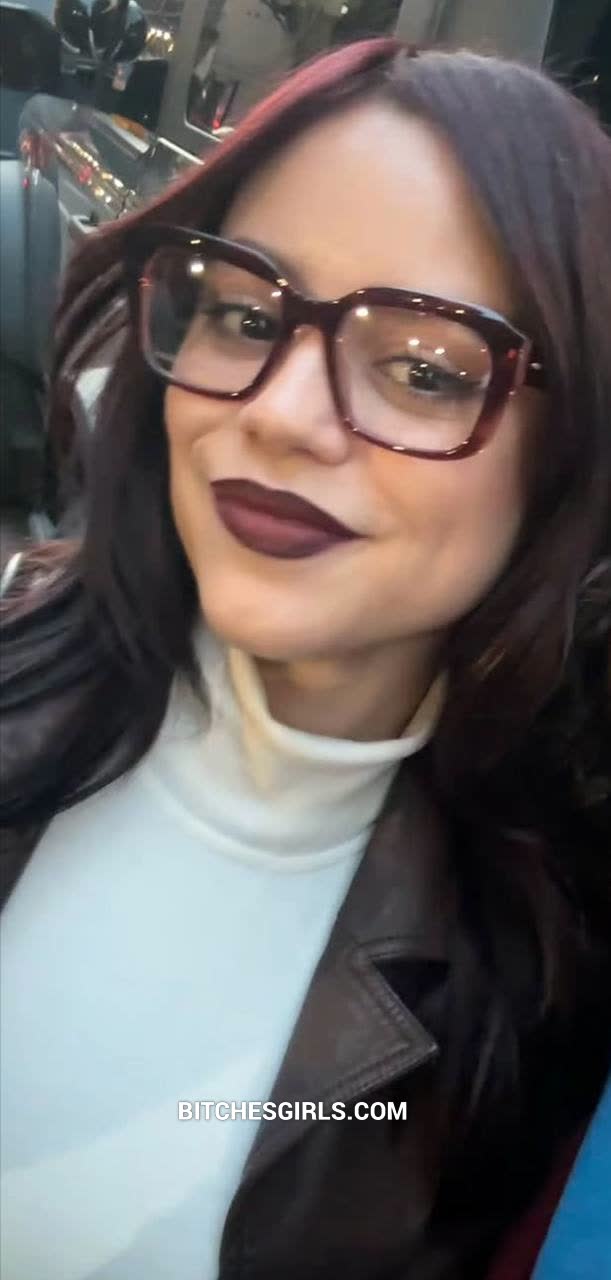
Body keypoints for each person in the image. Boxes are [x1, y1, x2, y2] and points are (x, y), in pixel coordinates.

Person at [0, 37, 610, 1280]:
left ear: (571, 454)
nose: (277, 411)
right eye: (244, 314)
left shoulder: (553, 964)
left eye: (424, 367)